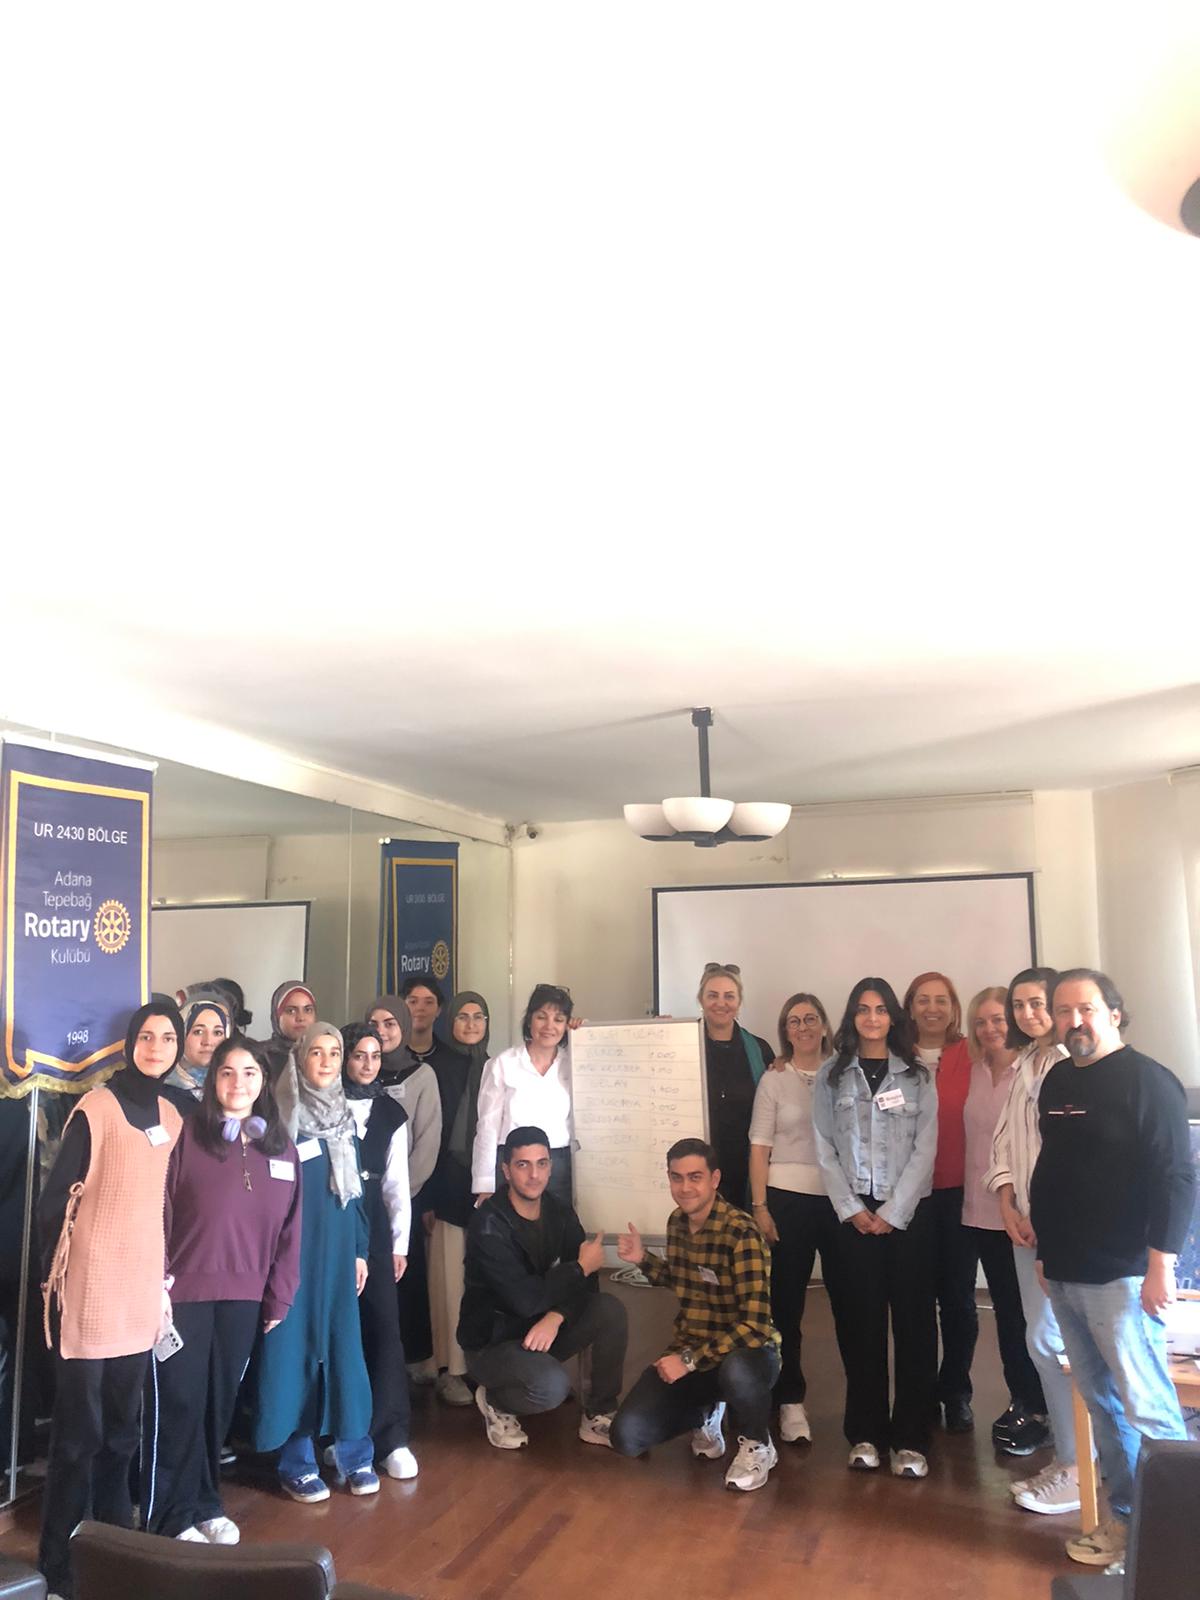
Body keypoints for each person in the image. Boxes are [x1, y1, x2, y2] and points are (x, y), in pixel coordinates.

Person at [1030, 968, 1195, 1572]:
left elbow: (1176, 1177)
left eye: (1087, 1009)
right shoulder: (1057, 1080)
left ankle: (1178, 1544)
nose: (1074, 1020)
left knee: (1149, 1407)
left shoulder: (1150, 1081)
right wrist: (1046, 1253)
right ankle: (1128, 1523)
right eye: (1063, 1010)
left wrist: (1161, 1264)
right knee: (1102, 1404)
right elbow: (1055, 1169)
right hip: (1065, 1271)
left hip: (1123, 1275)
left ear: (1115, 1013)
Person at [37, 1002, 186, 1600]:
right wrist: (57, 1277)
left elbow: (164, 1202)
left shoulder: (172, 1115)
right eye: (146, 1036)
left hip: (139, 1288)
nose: (156, 1047)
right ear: (129, 1043)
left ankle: (113, 1554)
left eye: (167, 1037)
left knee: (124, 1431)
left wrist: (160, 1278)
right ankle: (59, 1566)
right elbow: (55, 1203)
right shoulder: (95, 1109)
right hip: (90, 1287)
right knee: (79, 1436)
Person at [145, 1037, 301, 1543]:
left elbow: (291, 1232)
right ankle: (170, 1515)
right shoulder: (185, 1135)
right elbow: (160, 1210)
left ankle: (206, 1503)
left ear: (264, 1081)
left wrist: (279, 1295)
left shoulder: (282, 1148)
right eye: (227, 1072)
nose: (238, 1083)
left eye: (250, 1072)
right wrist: (155, 1281)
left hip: (245, 1297)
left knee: (218, 1405)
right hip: (183, 1294)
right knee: (180, 1402)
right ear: (213, 1080)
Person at [242, 1021, 376, 1502]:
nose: (325, 1061)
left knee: (344, 1351)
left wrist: (359, 1250)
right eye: (316, 1052)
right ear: (299, 1059)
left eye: (334, 1053)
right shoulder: (278, 1123)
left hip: (338, 1258)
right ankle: (296, 1461)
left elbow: (356, 1198)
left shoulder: (345, 1122)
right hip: (293, 1258)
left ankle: (353, 1452)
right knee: (291, 1353)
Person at [813, 977, 937, 1478]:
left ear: (892, 1018)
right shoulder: (831, 1075)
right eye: (862, 1009)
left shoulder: (917, 1076)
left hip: (906, 1217)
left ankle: (910, 1439)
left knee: (913, 1328)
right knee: (859, 1326)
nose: (871, 1018)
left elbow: (926, 1148)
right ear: (852, 1017)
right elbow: (823, 1146)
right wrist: (852, 1208)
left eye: (880, 1009)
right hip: (853, 1217)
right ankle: (865, 1433)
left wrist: (893, 1212)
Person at [610, 1138, 781, 1491]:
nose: (685, 1188)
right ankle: (707, 1410)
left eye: (695, 1177)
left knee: (736, 1370)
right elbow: (681, 1278)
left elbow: (755, 1326)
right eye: (677, 1178)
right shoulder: (677, 1222)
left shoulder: (741, 1232)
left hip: (747, 1354)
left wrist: (688, 1361)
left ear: (715, 1179)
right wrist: (642, 1259)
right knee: (627, 1436)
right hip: (694, 1352)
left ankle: (757, 1443)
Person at [459, 1127, 626, 1450]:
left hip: (541, 1330)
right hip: (494, 1342)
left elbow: (588, 1283)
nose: (534, 1175)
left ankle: (598, 1413)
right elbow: (523, 1299)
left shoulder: (559, 1211)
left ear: (551, 1167)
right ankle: (495, 1400)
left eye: (542, 1163)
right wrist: (579, 1267)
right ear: (506, 1170)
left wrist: (558, 1315)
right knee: (551, 1388)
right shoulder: (488, 1224)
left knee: (609, 1309)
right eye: (523, 1165)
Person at [984, 965, 1080, 1516]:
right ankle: (1068, 1456)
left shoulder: (1072, 1066)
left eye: (1037, 1002)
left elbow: (1070, 1154)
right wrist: (1005, 1202)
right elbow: (1002, 1144)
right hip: (1022, 1226)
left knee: (1062, 1345)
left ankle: (1079, 1467)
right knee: (1041, 1342)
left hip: (1060, 1228)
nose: (1027, 1013)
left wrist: (1045, 1215)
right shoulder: (1025, 1063)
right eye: (1018, 1005)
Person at [960, 987, 1049, 1457]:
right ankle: (1024, 1400)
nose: (990, 1028)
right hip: (978, 1210)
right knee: (1008, 1316)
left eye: (998, 1019)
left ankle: (1045, 1408)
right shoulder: (973, 1071)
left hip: (1019, 1215)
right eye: (981, 1021)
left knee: (1032, 1318)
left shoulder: (1033, 1069)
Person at [750, 992, 841, 1445]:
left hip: (842, 1202)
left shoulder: (845, 1071)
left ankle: (863, 1405)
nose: (803, 1027)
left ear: (824, 1024)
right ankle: (789, 1399)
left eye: (810, 1019)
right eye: (793, 1021)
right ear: (785, 1031)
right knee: (786, 1307)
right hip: (785, 1202)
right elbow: (759, 1147)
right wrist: (760, 1206)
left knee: (851, 1305)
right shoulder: (774, 1078)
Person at [341, 1021, 418, 1479]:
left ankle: (391, 1437)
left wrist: (399, 1244)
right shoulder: (323, 1105)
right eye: (359, 1055)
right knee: (340, 1330)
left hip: (375, 1225)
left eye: (375, 1056)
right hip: (334, 1221)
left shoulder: (391, 1113)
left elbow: (396, 1185)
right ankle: (337, 1435)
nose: (368, 1064)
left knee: (385, 1327)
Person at [902, 970, 975, 1434]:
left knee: (958, 1301)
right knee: (915, 1301)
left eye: (941, 1000)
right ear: (910, 1008)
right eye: (923, 1000)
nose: (932, 1008)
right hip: (908, 1197)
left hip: (959, 1194)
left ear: (953, 1008)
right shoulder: (893, 1055)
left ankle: (956, 1391)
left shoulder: (973, 1052)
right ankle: (920, 1392)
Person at [364, 995, 442, 1383]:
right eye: (374, 1024)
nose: (382, 1031)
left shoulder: (421, 1075)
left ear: (403, 1027)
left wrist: (398, 1193)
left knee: (404, 1284)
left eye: (390, 1023)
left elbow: (427, 1143)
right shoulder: (361, 1071)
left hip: (403, 1200)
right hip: (363, 1203)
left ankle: (409, 1369)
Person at [428, 990, 490, 1406]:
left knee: (483, 1282)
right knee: (450, 1283)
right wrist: (429, 1198)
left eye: (478, 1016)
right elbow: (429, 1134)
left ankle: (484, 1364)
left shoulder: (495, 1066)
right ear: (449, 1022)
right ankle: (451, 1368)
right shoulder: (434, 1068)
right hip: (447, 1188)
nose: (470, 1024)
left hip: (487, 1191)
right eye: (462, 1016)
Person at [471, 984, 574, 1206]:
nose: (549, 1026)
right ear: (529, 1020)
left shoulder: (575, 1063)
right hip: (513, 1166)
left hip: (560, 1166)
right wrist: (484, 1184)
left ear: (567, 1025)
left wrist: (585, 1034)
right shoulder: (502, 1064)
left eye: (558, 1019)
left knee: (558, 1227)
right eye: (541, 1017)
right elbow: (487, 1127)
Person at [697, 964, 774, 1207]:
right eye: (713, 995)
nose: (721, 1003)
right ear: (701, 1000)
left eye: (729, 996)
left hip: (745, 1170)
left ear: (739, 1002)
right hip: (696, 1169)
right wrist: (662, 1033)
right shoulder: (682, 1044)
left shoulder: (760, 1050)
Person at [164, 992, 231, 1104]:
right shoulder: (160, 1094)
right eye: (198, 1032)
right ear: (181, 1036)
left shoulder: (235, 1088)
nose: (208, 1042)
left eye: (217, 1032)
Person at [260, 981, 317, 1082]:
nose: (301, 1018)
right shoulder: (260, 1057)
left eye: (308, 1010)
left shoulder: (323, 1055)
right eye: (291, 1011)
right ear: (276, 1016)